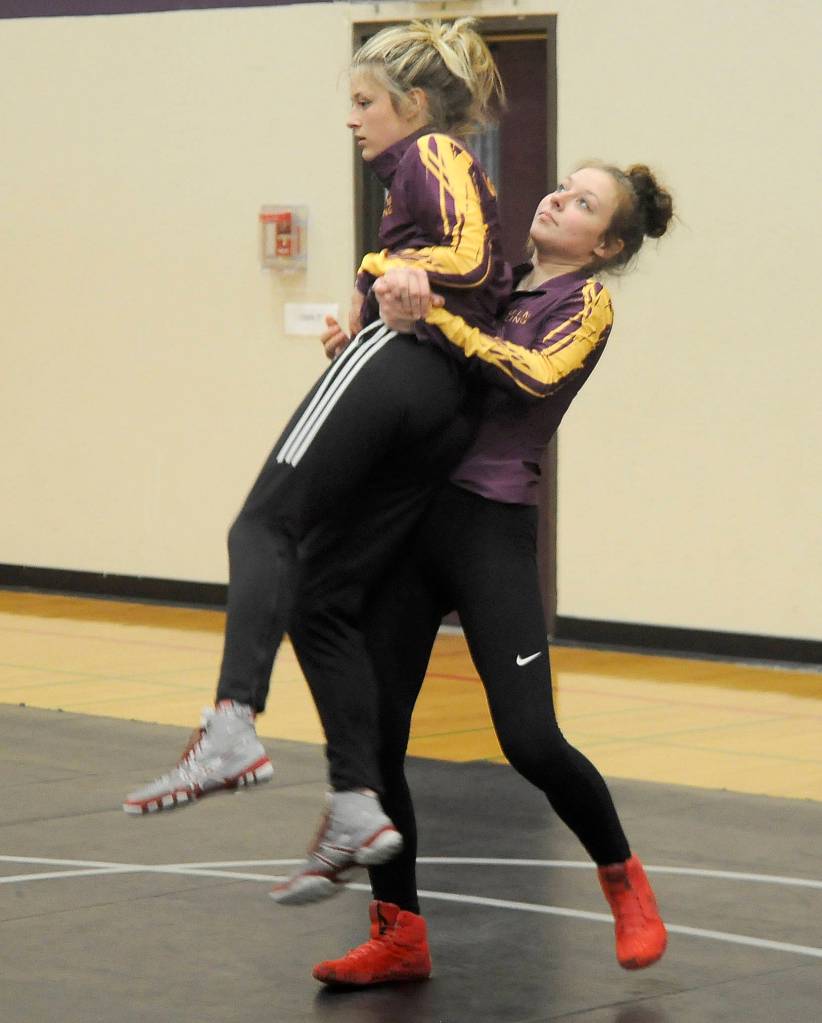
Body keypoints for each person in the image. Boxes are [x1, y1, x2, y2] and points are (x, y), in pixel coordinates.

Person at [122, 19, 510, 875]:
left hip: (410, 367)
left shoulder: (432, 153)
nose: (354, 119)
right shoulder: (419, 171)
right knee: (323, 591)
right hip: (435, 394)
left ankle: (231, 724)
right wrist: (369, 310)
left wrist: (389, 275)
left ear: (412, 104)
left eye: (366, 102)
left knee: (262, 529)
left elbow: (475, 257)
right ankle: (356, 800)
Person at [281, 163, 675, 979]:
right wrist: (357, 350)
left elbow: (532, 375)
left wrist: (444, 327)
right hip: (411, 523)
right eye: (561, 187)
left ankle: (622, 877)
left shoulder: (585, 304)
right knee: (379, 734)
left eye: (582, 202)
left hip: (487, 528)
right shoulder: (485, 283)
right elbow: (418, 382)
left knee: (530, 739)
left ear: (605, 245)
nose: (557, 199)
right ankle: (398, 932)